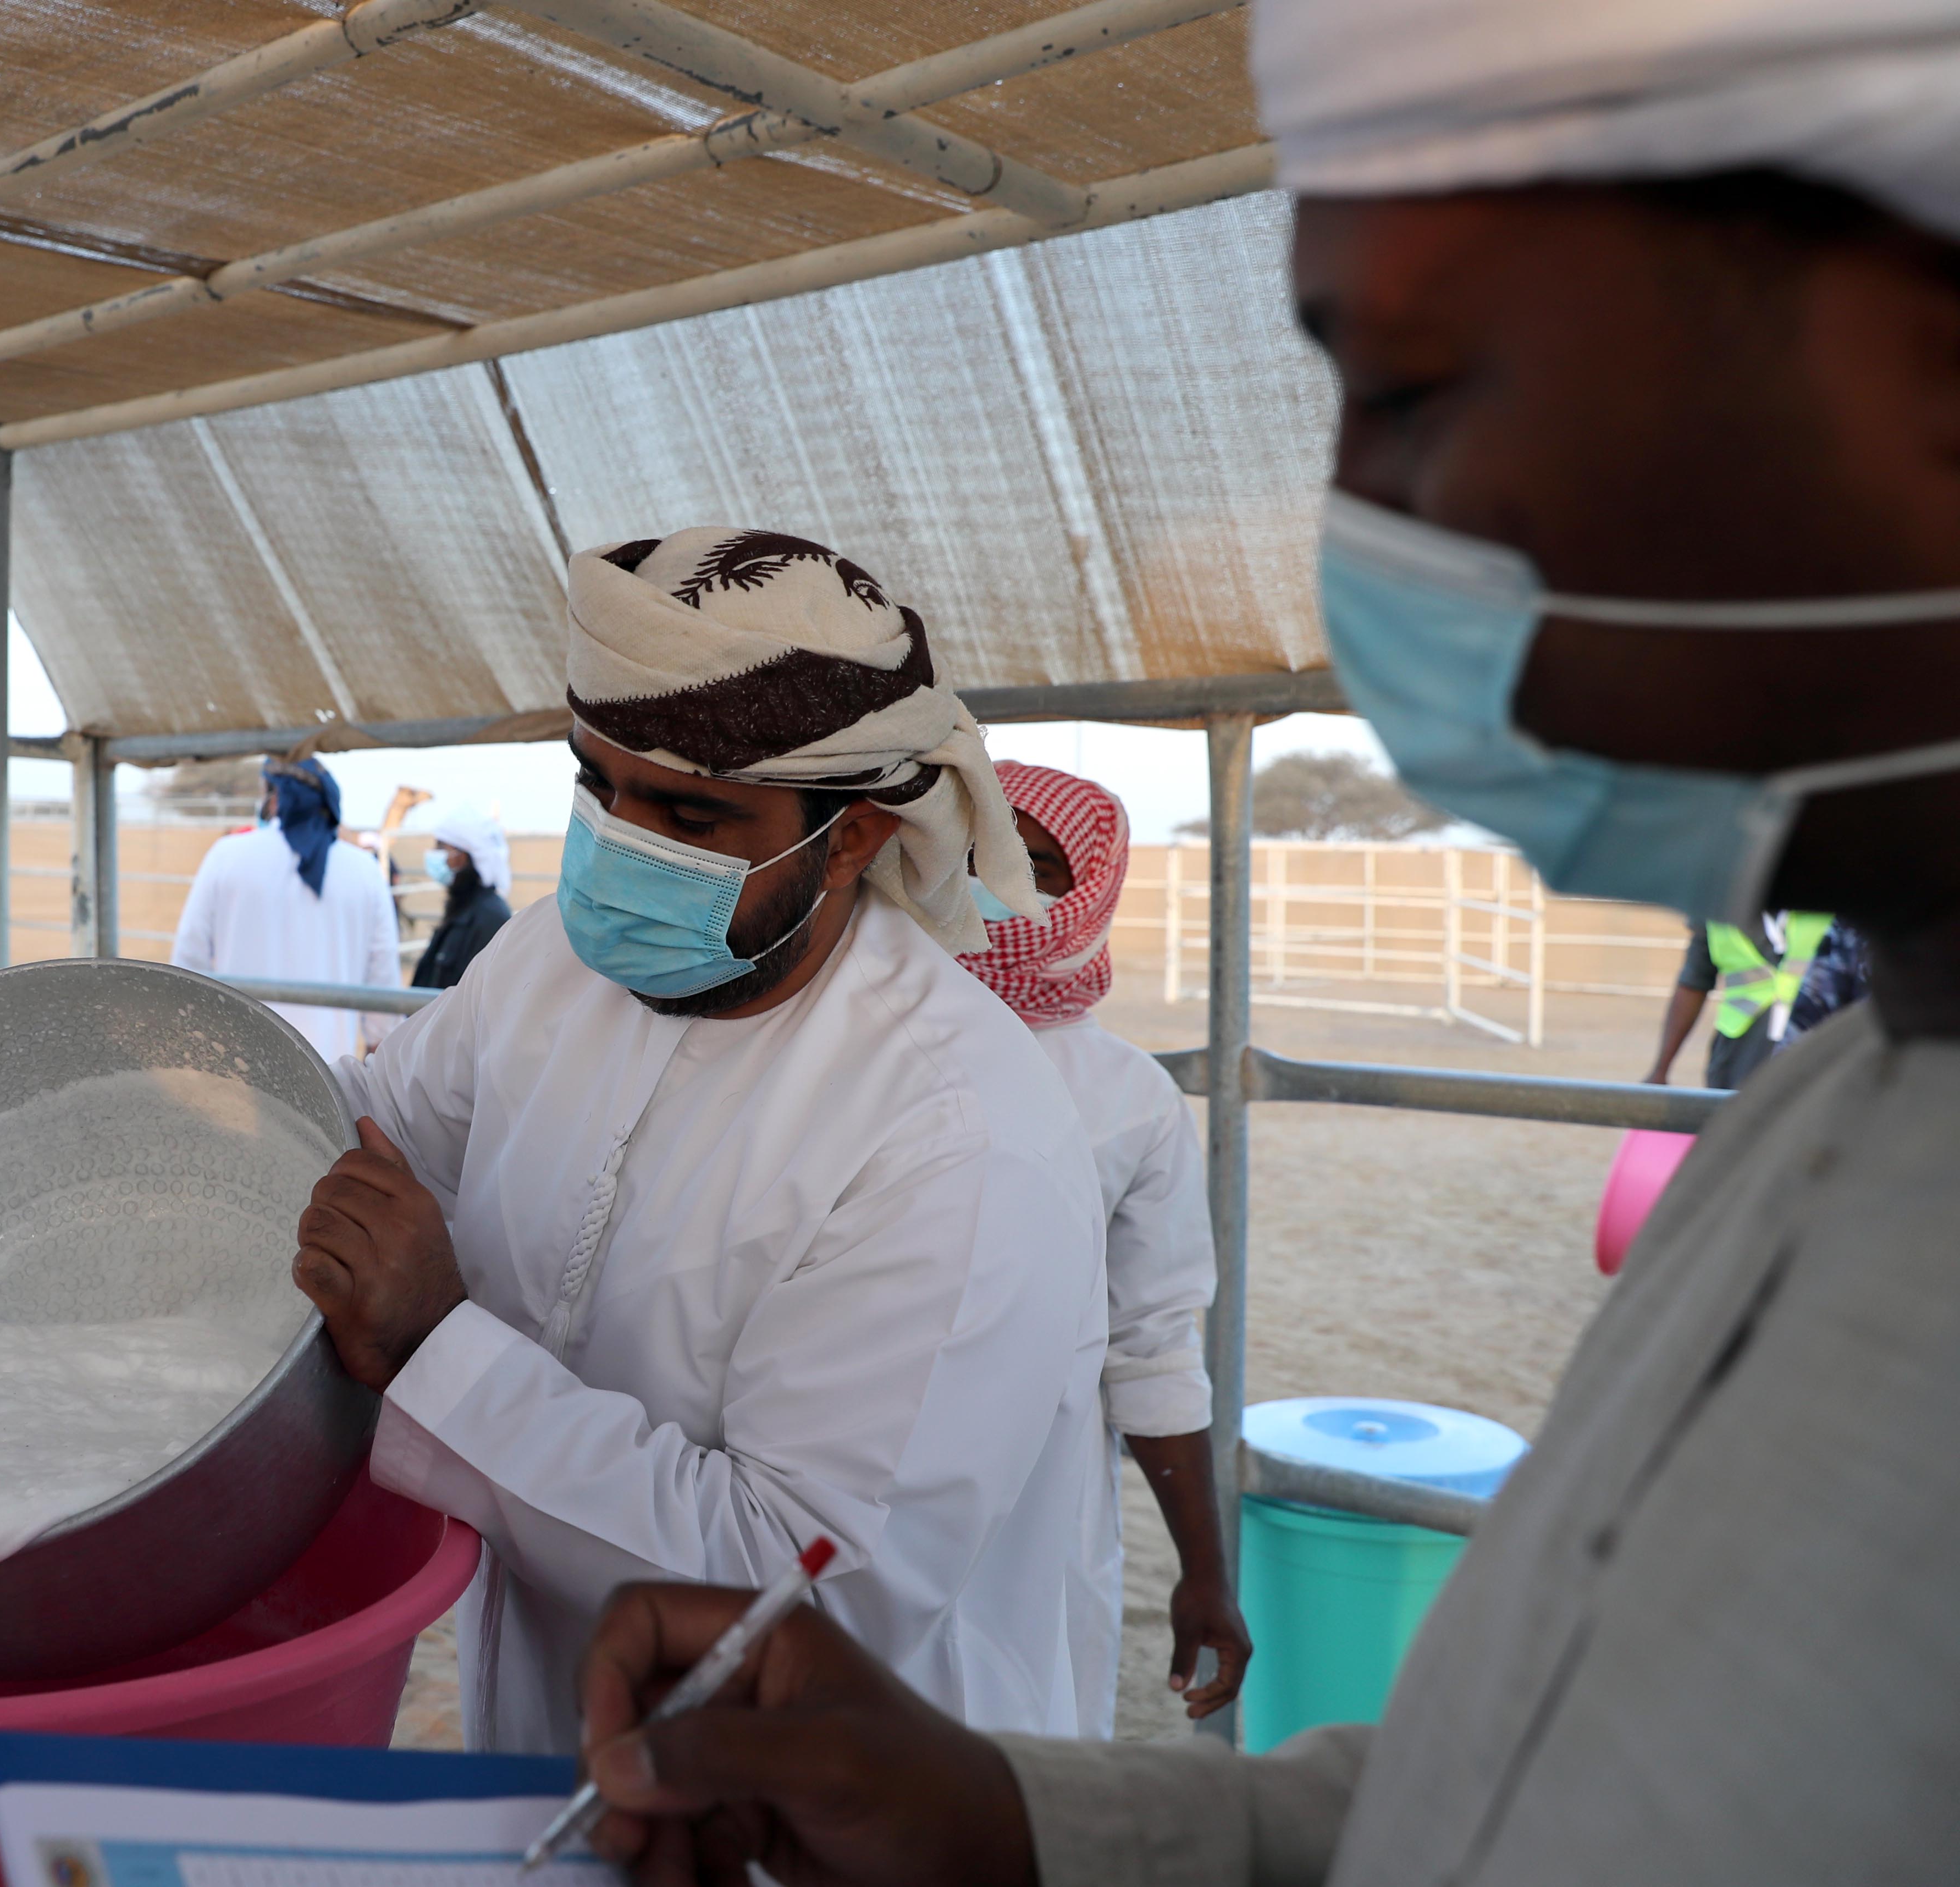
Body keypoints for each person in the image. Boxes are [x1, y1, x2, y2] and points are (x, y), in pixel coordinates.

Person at [562, 6, 1960, 1882]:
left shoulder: (998, 1106)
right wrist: (1005, 1817)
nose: (1374, 534)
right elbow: (1494, 1805)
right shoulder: (1819, 1127)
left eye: (1413, 388)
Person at [289, 526, 1107, 1753]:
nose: (622, 842)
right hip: (552, 1740)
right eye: (596, 786)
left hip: (819, 1803)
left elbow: (805, 1583)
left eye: (688, 813)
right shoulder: (547, 965)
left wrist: (432, 1347)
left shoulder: (953, 1139)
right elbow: (366, 1137)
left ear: (851, 840)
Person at [959, 759, 1247, 1731]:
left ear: (1091, 890)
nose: (997, 879)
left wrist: (1201, 1573)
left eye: (1036, 863)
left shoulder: (1126, 1097)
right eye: (972, 850)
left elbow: (1152, 1343)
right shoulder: (828, 1037)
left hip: (1032, 1504)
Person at [169, 756, 400, 1062]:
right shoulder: (365, 870)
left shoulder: (226, 857)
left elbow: (190, 956)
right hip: (328, 1068)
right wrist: (377, 1043)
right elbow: (382, 978)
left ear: (275, 796)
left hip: (237, 1063)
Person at [1642, 912, 1834, 1088]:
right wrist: (1660, 1070)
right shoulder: (1717, 905)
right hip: (1739, 1052)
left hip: (1817, 1045)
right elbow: (1694, 982)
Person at [408, 807, 514, 991]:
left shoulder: (490, 917)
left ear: (462, 856)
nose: (435, 853)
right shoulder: (463, 910)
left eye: (441, 847)